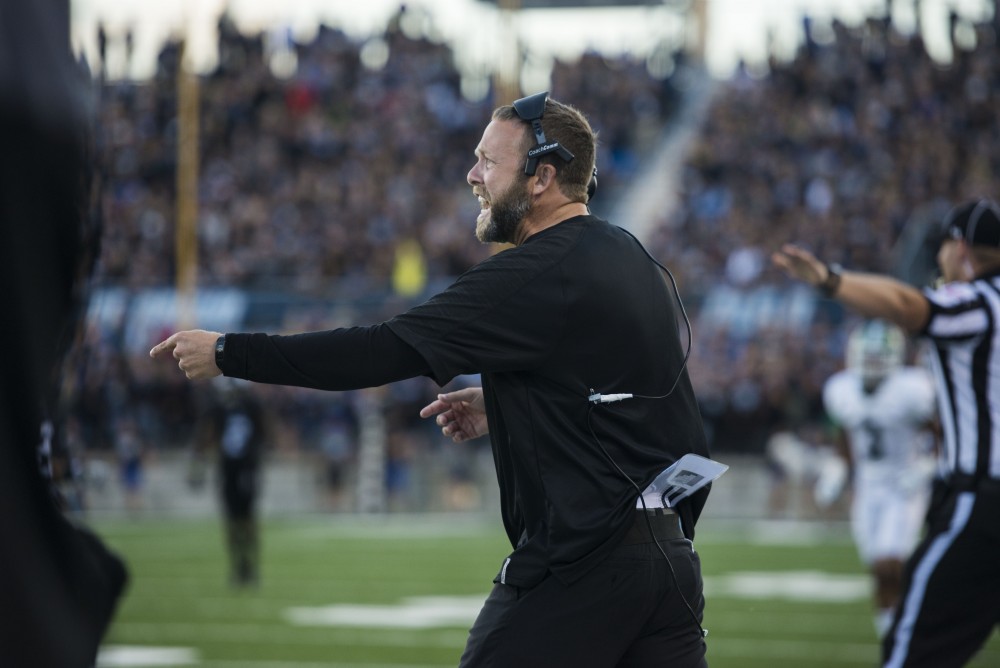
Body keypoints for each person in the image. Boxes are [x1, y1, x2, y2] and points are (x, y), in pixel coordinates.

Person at [152, 92, 712, 667]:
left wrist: (228, 351)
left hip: (583, 566)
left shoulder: (535, 269)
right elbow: (652, 408)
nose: (472, 175)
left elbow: (380, 351)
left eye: (489, 162)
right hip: (671, 568)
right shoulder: (639, 261)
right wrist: (505, 405)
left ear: (542, 177)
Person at [772, 198, 1000, 668]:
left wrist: (830, 280)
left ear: (960, 248)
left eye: (943, 248)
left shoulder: (980, 303)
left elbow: (906, 305)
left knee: (909, 652)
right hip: (920, 488)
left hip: (981, 502)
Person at [821, 319, 938, 639]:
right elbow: (845, 438)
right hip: (867, 488)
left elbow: (944, 436)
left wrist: (926, 466)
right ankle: (892, 636)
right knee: (879, 572)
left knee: (890, 563)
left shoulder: (913, 389)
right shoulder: (841, 389)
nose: (872, 362)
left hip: (903, 485)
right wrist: (837, 470)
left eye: (878, 356)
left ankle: (906, 633)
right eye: (867, 355)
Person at [196, 378, 267, 587]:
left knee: (246, 519)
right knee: (232, 520)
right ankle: (238, 565)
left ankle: (249, 565)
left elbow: (263, 432)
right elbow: (208, 434)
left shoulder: (251, 407)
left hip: (246, 468)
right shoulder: (219, 408)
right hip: (230, 469)